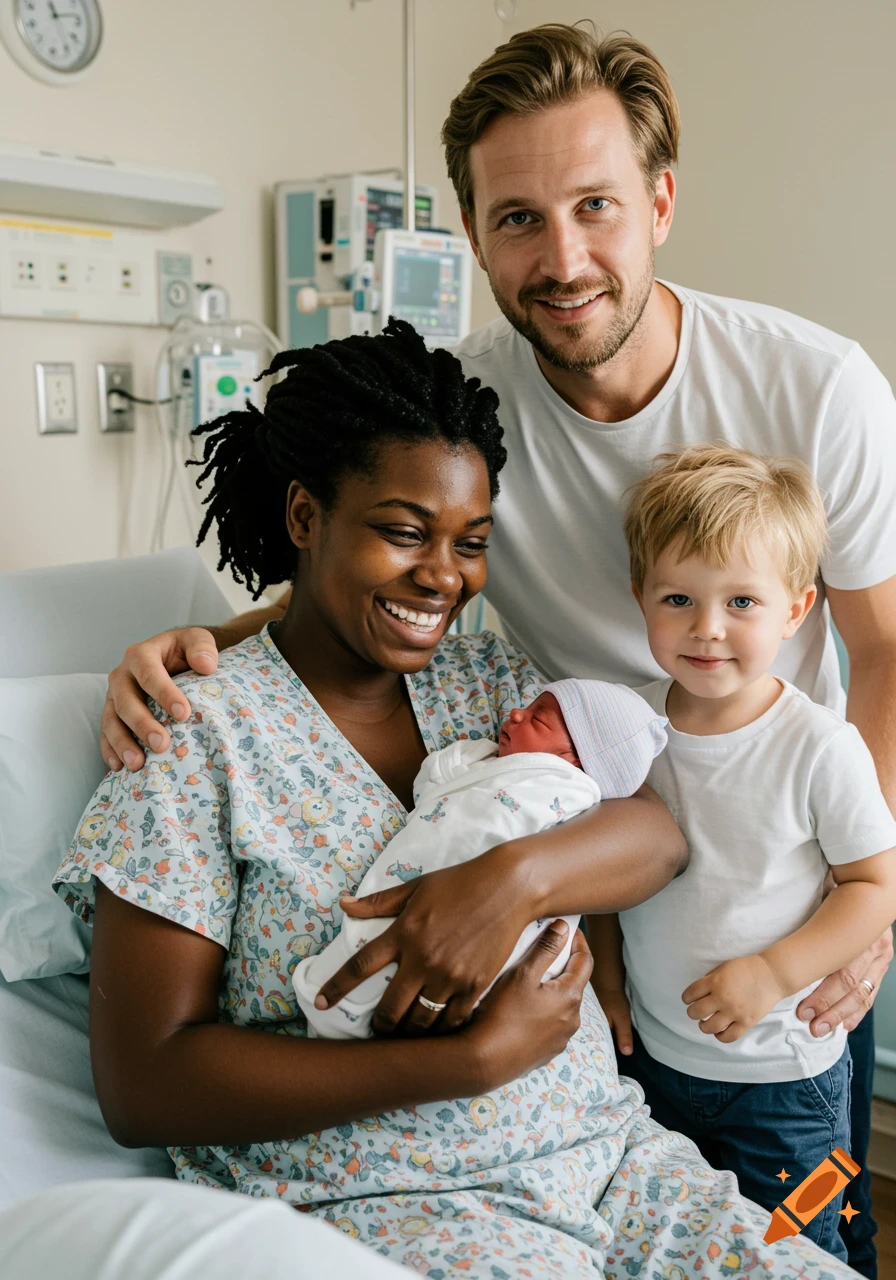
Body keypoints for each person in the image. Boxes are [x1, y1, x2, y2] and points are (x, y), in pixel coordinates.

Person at [99, 23, 896, 1276]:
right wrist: (200, 640)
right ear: (473, 231)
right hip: (600, 972)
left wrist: (862, 891)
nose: (562, 255)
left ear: (660, 201)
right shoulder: (459, 416)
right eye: (517, 217)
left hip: (771, 906)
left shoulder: (814, 386)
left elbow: (884, 652)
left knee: (804, 1212)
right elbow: (373, 567)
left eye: (594, 206)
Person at [590, 445, 896, 1263]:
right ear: (641, 598)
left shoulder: (819, 746)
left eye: (742, 601)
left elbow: (874, 886)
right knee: (684, 1245)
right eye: (680, 598)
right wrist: (608, 983)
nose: (707, 628)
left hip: (790, 1084)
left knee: (796, 1246)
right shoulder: (628, 733)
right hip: (655, 1064)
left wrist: (772, 972)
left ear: (796, 611)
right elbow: (606, 882)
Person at [294, 680, 668, 1038]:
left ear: (577, 762)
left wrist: (513, 881)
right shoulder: (495, 761)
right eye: (529, 706)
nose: (517, 713)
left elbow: (664, 846)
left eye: (538, 719)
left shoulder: (567, 793)